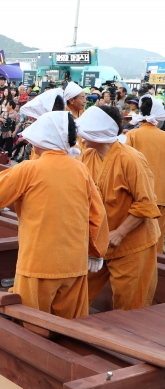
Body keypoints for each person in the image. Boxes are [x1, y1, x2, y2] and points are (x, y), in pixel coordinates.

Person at [0, 111, 109, 319]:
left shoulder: (29, 169)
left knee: (32, 325)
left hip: (38, 264)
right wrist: (95, 251)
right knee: (71, 327)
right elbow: (97, 215)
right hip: (74, 265)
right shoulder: (80, 169)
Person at [77, 106, 161, 310]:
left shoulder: (130, 159)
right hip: (99, 243)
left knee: (129, 304)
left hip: (131, 243)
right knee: (77, 292)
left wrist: (120, 233)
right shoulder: (87, 156)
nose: (81, 138)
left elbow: (146, 203)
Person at [125, 95, 165, 255]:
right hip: (161, 195)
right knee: (157, 240)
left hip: (136, 198)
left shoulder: (132, 135)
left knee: (134, 241)